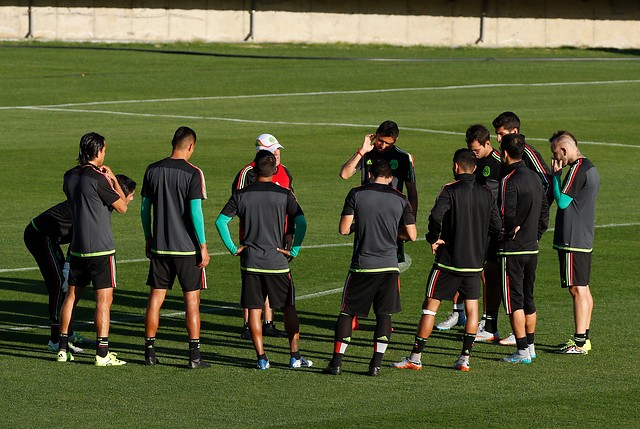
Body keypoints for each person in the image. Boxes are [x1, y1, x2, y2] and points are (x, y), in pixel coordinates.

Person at [393, 149, 500, 372]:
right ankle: (464, 358)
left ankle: (415, 357)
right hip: (475, 262)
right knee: (472, 310)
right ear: (475, 168)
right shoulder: (487, 193)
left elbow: (435, 216)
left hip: (448, 261)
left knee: (430, 308)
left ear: (456, 167)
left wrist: (434, 238)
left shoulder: (450, 190)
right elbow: (496, 226)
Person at [215, 150, 311, 370]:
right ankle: (295, 357)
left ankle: (261, 359)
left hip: (251, 263)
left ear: (254, 170)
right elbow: (302, 222)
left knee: (254, 311)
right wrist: (294, 249)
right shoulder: (285, 194)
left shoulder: (241, 194)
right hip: (277, 263)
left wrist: (233, 248)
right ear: (275, 170)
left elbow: (221, 222)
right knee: (288, 308)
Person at [324, 159, 417, 376]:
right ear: (391, 178)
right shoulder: (401, 199)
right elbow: (411, 235)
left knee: (347, 313)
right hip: (389, 267)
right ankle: (375, 364)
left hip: (362, 266)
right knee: (384, 315)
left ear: (369, 175)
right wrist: (392, 232)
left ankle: (336, 363)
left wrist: (363, 226)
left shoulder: (356, 194)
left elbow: (344, 229)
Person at [25, 175, 136, 354]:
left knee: (64, 285)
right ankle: (56, 339)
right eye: (129, 195)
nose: (130, 199)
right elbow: (79, 236)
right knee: (58, 283)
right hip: (40, 236)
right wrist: (69, 265)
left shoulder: (100, 202)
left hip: (53, 239)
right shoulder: (92, 205)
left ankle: (68, 333)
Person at [57, 132, 130, 366]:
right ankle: (102, 353)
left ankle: (62, 348)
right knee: (103, 301)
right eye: (105, 150)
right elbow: (121, 206)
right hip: (101, 249)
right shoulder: (99, 178)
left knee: (71, 298)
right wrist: (113, 179)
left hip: (77, 248)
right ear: (97, 151)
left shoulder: (68, 176)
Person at [141, 126, 211, 369]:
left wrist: (149, 238)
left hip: (160, 247)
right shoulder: (193, 173)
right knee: (192, 303)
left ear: (172, 142)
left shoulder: (152, 169)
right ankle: (194, 356)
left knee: (155, 299)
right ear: (190, 146)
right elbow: (195, 212)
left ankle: (149, 352)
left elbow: (144, 209)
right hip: (187, 250)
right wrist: (203, 245)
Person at [339, 120, 417, 330]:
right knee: (360, 262)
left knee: (392, 266)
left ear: (396, 140)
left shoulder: (402, 158)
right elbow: (345, 174)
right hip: (367, 215)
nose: (382, 146)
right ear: (376, 135)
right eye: (380, 141)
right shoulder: (368, 153)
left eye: (387, 143)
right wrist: (361, 151)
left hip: (393, 218)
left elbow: (412, 193)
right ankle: (353, 312)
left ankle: (385, 314)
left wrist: (410, 222)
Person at [492, 111, 553, 346]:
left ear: (514, 133)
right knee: (527, 296)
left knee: (515, 298)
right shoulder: (515, 168)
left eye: (501, 134)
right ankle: (529, 344)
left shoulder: (525, 158)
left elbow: (545, 185)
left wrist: (526, 224)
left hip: (516, 242)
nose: (498, 139)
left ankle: (522, 348)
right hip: (529, 242)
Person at [232, 133, 292, 340]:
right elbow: (238, 203)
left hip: (279, 236)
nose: (278, 154)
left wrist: (289, 235)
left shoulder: (285, 172)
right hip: (253, 237)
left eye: (278, 150)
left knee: (271, 279)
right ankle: (248, 325)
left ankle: (268, 323)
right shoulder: (247, 172)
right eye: (274, 150)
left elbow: (293, 205)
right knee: (252, 282)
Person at [549, 131, 600, 354]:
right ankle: (584, 338)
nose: (556, 159)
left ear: (564, 150)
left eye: (556, 154)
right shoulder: (590, 166)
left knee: (577, 290)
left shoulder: (577, 169)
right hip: (583, 237)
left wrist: (555, 176)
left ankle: (579, 342)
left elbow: (562, 202)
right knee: (584, 289)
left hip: (572, 239)